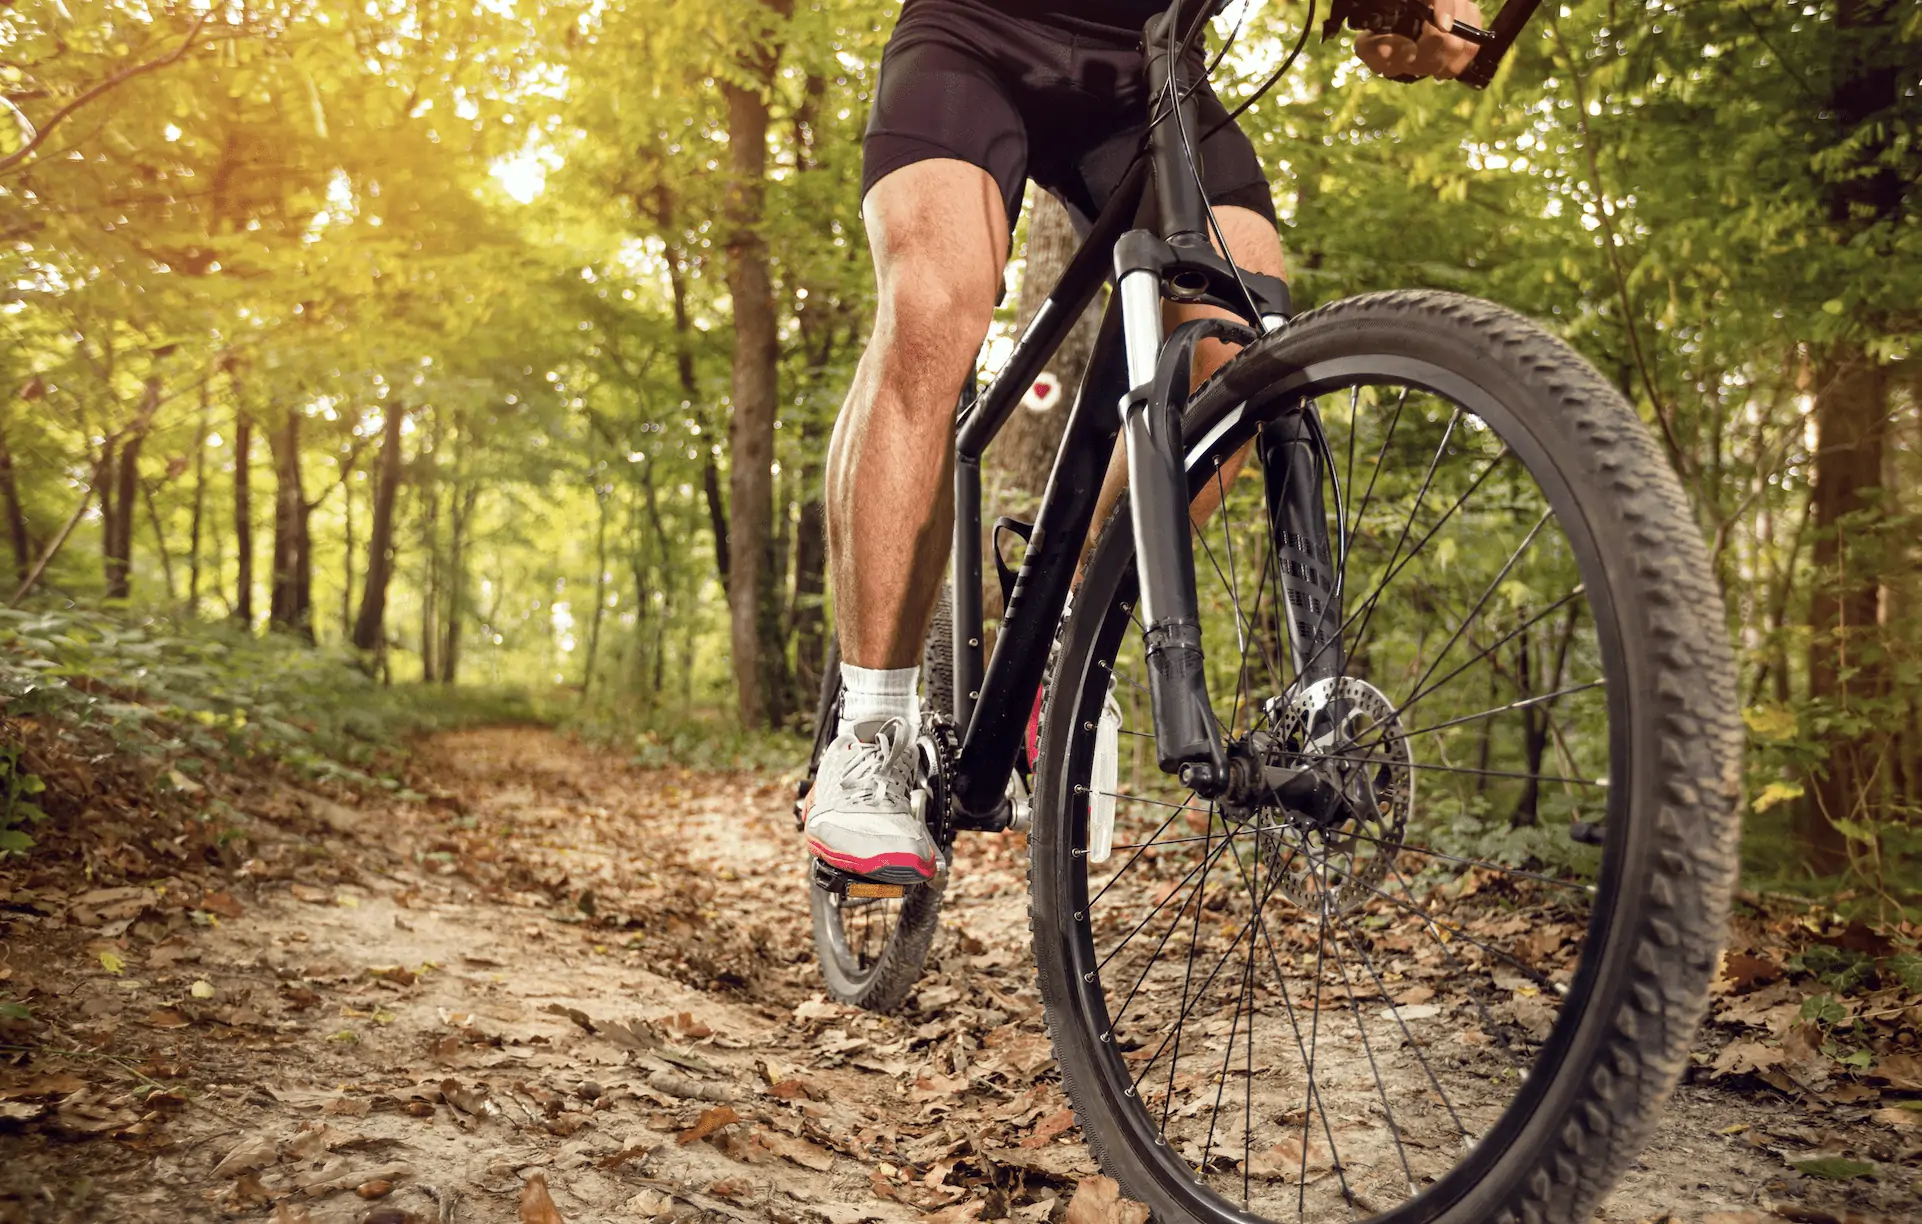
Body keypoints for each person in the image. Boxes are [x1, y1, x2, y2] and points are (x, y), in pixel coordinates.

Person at [804, 0, 1483, 884]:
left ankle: (1064, 633)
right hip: (974, 32)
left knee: (1235, 345)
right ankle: (870, 729)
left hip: (1151, 60)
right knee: (937, 305)